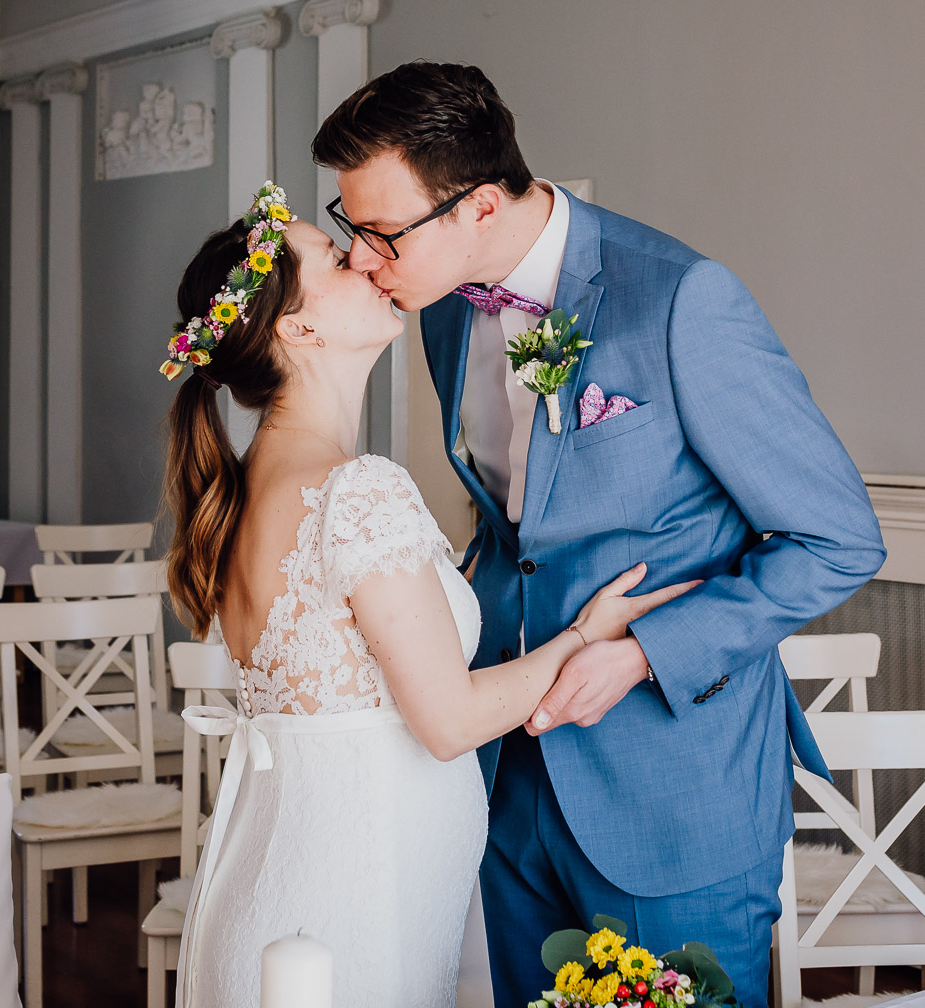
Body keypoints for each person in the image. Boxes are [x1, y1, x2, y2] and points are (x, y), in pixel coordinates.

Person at [313, 62, 887, 1008]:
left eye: (381, 233)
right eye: (351, 229)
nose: (364, 259)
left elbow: (838, 539)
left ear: (481, 206)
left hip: (670, 787)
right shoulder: (447, 312)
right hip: (508, 772)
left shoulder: (681, 301)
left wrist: (640, 655)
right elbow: (518, 530)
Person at [162, 182, 696, 1008]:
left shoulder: (247, 494)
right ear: (297, 329)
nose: (370, 261)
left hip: (288, 887)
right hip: (355, 906)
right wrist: (584, 636)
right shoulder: (353, 488)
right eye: (341, 258)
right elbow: (447, 722)